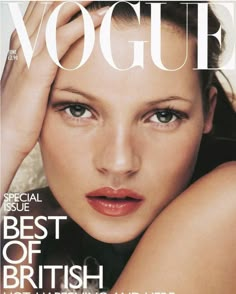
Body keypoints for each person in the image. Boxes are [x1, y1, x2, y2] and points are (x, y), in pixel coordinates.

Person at [1, 1, 236, 293]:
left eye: (164, 115)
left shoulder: (230, 201)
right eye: (78, 110)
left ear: (207, 113)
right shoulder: (38, 232)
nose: (119, 162)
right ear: (31, 108)